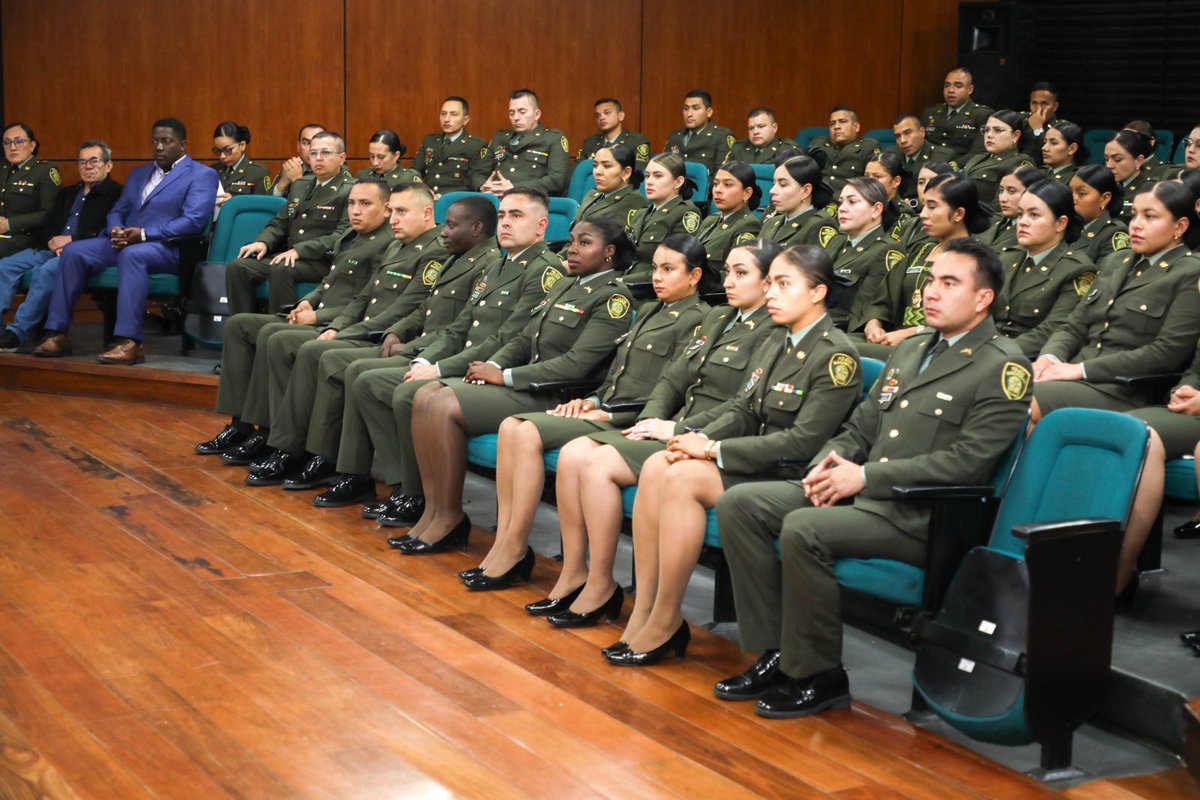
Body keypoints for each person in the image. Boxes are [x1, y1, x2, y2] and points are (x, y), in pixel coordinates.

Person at [714, 237, 1029, 717]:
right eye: (930, 280)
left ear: (983, 298)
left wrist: (865, 477)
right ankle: (776, 652)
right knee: (741, 505)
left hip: (918, 516)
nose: (931, 292)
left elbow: (967, 462)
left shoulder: (1002, 366)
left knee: (804, 528)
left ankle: (818, 674)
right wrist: (832, 460)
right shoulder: (912, 349)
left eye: (949, 283)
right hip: (864, 497)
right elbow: (862, 425)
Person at [604, 244, 862, 666]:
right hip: (751, 460)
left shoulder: (835, 354)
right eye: (770, 283)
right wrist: (689, 435)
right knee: (658, 463)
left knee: (683, 478)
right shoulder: (779, 340)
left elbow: (800, 444)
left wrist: (710, 448)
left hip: (786, 473)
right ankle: (649, 610)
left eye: (783, 283)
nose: (771, 292)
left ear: (817, 292)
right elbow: (743, 408)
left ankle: (667, 615)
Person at [523, 241, 778, 618]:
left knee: (598, 464)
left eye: (742, 274)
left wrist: (676, 426)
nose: (730, 281)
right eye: (728, 272)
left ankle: (601, 586)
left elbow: (742, 404)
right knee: (575, 453)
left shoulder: (770, 331)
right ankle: (580, 574)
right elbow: (673, 380)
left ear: (768, 283)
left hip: (706, 434)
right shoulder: (719, 318)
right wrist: (652, 419)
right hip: (670, 425)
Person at [445, 234, 713, 575]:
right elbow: (619, 373)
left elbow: (673, 389)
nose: (657, 276)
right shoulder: (648, 309)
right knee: (513, 427)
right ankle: (507, 543)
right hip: (606, 408)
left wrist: (610, 411)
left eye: (669, 269)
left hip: (629, 418)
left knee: (525, 432)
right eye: (656, 268)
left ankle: (518, 550)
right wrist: (593, 400)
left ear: (694, 276)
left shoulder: (699, 320)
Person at [393, 219, 636, 558]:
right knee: (425, 395)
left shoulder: (613, 297)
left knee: (446, 404)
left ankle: (449, 516)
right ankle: (434, 512)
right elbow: (525, 338)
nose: (572, 250)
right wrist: (494, 365)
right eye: (571, 241)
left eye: (584, 243)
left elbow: (577, 364)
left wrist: (505, 376)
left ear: (609, 252)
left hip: (553, 393)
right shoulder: (567, 285)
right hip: (525, 383)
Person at [338, 188, 563, 527]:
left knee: (406, 393)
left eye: (516, 216)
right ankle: (406, 487)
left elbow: (506, 338)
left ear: (541, 225)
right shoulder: (499, 264)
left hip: (494, 372)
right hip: (465, 361)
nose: (505, 223)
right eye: (502, 216)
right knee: (369, 382)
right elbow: (459, 327)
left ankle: (419, 496)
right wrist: (424, 361)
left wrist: (440, 368)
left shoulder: (544, 272)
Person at [210, 183, 447, 487]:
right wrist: (325, 317)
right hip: (353, 324)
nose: (394, 218)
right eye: (351, 204)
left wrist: (336, 326)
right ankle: (262, 433)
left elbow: (403, 308)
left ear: (427, 213)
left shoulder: (433, 250)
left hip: (379, 334)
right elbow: (363, 294)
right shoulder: (395, 244)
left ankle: (296, 448)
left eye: (400, 211)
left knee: (296, 345)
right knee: (249, 328)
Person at [311, 197, 502, 510]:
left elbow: (461, 328)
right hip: (426, 347)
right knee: (357, 372)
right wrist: (397, 331)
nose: (443, 232)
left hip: (443, 356)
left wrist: (413, 349)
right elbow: (426, 308)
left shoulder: (486, 262)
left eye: (451, 225)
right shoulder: (458, 256)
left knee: (368, 378)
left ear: (477, 228)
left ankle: (408, 489)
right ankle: (356, 474)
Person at [197, 180, 396, 468]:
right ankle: (239, 424)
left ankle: (271, 434)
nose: (355, 211)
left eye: (365, 204)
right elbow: (330, 282)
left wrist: (319, 317)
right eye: (352, 203)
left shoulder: (387, 245)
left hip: (340, 325)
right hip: (321, 314)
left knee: (273, 336)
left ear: (386, 209)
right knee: (239, 325)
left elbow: (367, 302)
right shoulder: (351, 236)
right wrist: (310, 301)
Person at [33, 118, 218, 364]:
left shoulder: (201, 175)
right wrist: (116, 229)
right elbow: (118, 210)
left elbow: (193, 221)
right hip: (124, 241)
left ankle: (130, 342)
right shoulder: (139, 173)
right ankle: (57, 333)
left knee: (134, 255)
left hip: (167, 247)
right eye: (155, 142)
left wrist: (142, 234)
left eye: (166, 141)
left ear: (182, 145)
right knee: (74, 251)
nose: (159, 147)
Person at [1030, 181, 1200, 424]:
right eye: (1134, 216)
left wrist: (1080, 370)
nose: (1136, 225)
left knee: (1019, 399)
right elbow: (1074, 326)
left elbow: (1167, 353)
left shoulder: (1190, 272)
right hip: (1075, 376)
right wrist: (1049, 359)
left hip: (1123, 389)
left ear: (1180, 226)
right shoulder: (1116, 261)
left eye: (1150, 217)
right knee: (999, 387)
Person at [0, 140, 121, 351]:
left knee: (45, 272)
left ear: (108, 165)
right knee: (6, 265)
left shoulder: (117, 194)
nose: (88, 166)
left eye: (94, 161)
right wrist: (51, 240)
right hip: (50, 249)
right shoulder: (68, 192)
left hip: (82, 253)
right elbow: (48, 223)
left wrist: (73, 240)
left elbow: (107, 232)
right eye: (82, 162)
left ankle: (17, 333)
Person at [854, 172, 990, 359]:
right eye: (924, 205)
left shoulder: (977, 260)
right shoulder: (920, 250)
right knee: (837, 342)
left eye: (932, 207)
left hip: (937, 346)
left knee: (846, 351)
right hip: (894, 337)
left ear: (959, 213)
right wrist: (873, 324)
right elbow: (882, 299)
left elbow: (966, 322)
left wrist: (912, 333)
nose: (923, 215)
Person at [223, 130, 355, 315]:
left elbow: (341, 235)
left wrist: (299, 250)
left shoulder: (350, 190)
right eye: (313, 153)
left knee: (282, 268)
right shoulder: (301, 184)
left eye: (325, 153)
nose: (318, 158)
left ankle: (278, 328)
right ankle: (242, 326)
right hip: (289, 256)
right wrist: (263, 242)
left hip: (321, 260)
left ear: (342, 158)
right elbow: (280, 223)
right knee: (238, 266)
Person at [993, 178, 1096, 356]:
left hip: (1026, 359)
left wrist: (993, 352)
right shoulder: (1008, 257)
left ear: (1060, 223)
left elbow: (1051, 332)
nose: (1022, 222)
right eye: (1020, 214)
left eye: (1034, 215)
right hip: (988, 348)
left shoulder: (1077, 270)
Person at [828, 177, 904, 330]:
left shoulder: (886, 250)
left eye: (852, 202)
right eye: (841, 202)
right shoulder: (836, 241)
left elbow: (861, 313)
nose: (841, 208)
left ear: (876, 210)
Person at [622, 153, 702, 285]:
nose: (649, 182)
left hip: (650, 289)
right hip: (625, 284)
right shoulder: (641, 213)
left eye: (658, 176)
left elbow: (670, 268)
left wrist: (622, 281)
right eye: (647, 176)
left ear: (678, 182)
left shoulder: (686, 213)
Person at [479, 89, 570, 196]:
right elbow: (479, 172)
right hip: (494, 197)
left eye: (522, 112)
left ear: (537, 114)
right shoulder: (500, 137)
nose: (516, 118)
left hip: (531, 200)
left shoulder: (553, 138)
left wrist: (514, 188)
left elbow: (556, 180)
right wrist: (483, 185)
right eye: (511, 113)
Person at [0, 122, 61, 259]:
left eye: (19, 141)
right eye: (7, 143)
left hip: (27, 237)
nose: (12, 147)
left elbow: (48, 214)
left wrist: (10, 224)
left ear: (32, 146)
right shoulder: (2, 169)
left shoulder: (45, 171)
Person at [412, 96, 489, 196]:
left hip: (456, 202)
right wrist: (422, 189)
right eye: (443, 114)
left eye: (454, 114)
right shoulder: (430, 141)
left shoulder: (476, 145)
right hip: (428, 199)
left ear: (465, 120)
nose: (446, 119)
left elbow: (476, 179)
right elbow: (415, 170)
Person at [960, 110, 1036, 212]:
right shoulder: (978, 157)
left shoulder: (1020, 162)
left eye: (998, 130)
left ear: (1015, 136)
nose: (989, 135)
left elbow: (999, 208)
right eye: (986, 130)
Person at [759, 155, 837, 249]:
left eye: (783, 184)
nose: (772, 190)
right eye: (774, 184)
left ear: (805, 191)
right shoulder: (771, 222)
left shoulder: (819, 225)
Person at [695, 162, 762, 267]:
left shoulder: (748, 225)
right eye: (716, 184)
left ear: (747, 193)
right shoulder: (711, 219)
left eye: (728, 185)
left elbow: (736, 273)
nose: (718, 190)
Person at [921, 68, 994, 160]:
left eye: (958, 86)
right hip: (928, 166)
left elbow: (978, 153)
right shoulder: (930, 113)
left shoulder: (982, 115)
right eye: (947, 85)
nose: (951, 90)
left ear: (970, 89)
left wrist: (953, 166)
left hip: (960, 169)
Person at [571, 143, 646, 231]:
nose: (597, 172)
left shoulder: (633, 203)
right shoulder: (592, 195)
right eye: (595, 165)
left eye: (606, 166)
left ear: (626, 172)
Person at [808, 106, 881, 195]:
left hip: (849, 202)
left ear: (856, 127)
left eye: (843, 122)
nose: (836, 127)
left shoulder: (867, 148)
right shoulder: (819, 145)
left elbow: (873, 184)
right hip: (817, 201)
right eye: (832, 123)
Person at [664, 90, 735, 178]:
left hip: (705, 190)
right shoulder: (675, 136)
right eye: (686, 109)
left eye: (695, 108)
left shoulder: (721, 136)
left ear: (709, 112)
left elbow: (722, 175)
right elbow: (663, 169)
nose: (689, 114)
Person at [1070, 163, 1130, 263]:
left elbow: (1107, 276)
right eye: (1070, 191)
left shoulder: (1113, 234)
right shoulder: (1065, 225)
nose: (1072, 199)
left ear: (1104, 198)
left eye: (1081, 193)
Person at [890, 114, 957, 201]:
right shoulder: (891, 155)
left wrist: (914, 204)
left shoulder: (942, 157)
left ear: (922, 132)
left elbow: (950, 194)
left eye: (908, 133)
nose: (903, 140)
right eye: (897, 136)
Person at [978, 164, 1042, 252]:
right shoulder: (991, 219)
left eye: (1012, 191)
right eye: (1001, 190)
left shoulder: (1033, 231)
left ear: (1032, 193)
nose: (1003, 198)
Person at [894, 161, 956, 252]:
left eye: (933, 181)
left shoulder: (948, 226)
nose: (926, 187)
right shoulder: (908, 222)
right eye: (921, 182)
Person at [576, 98, 651, 171]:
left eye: (607, 113)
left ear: (620, 116)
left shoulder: (637, 141)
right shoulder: (589, 142)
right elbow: (576, 172)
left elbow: (638, 174)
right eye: (597, 115)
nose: (601, 118)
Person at [1105, 129, 1157, 222]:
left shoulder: (1150, 190)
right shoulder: (1103, 185)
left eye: (1117, 159)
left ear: (1138, 161)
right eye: (1106, 159)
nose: (1109, 165)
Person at [212, 121, 269, 203]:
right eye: (218, 151)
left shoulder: (258, 172)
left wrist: (235, 202)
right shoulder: (213, 171)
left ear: (242, 145)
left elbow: (263, 206)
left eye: (227, 150)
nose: (222, 156)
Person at [864, 152, 915, 237]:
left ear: (896, 181)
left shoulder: (901, 212)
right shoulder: (861, 205)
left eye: (877, 177)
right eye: (866, 176)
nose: (870, 182)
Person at [272, 123, 325, 198]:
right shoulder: (291, 168)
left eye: (317, 143)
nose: (311, 148)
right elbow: (267, 205)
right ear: (298, 147)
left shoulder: (336, 171)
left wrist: (298, 182)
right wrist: (282, 183)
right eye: (306, 143)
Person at [1019, 82, 1061, 162]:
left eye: (1044, 103)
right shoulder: (1020, 119)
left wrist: (1037, 130)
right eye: (1034, 103)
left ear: (1055, 107)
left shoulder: (1062, 128)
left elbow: (1053, 156)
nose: (1039, 108)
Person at [1041, 120, 1083, 185]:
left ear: (1072, 149)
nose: (1044, 148)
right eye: (1045, 142)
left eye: (1053, 143)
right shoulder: (1038, 172)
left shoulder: (1077, 179)